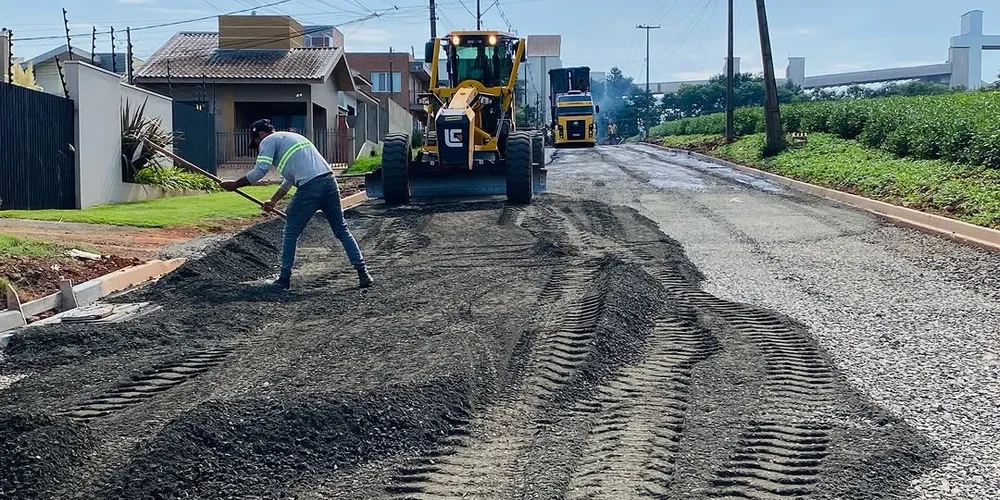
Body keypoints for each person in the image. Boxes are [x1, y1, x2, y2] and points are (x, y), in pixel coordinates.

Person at [220, 119, 374, 290]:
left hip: (310, 187)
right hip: (330, 183)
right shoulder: (293, 138)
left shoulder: (269, 140)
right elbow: (288, 180)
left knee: (291, 231)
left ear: (261, 134)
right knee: (341, 230)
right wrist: (274, 200)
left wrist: (235, 184)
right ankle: (363, 273)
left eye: (256, 141)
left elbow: (260, 170)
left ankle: (284, 280)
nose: (258, 146)